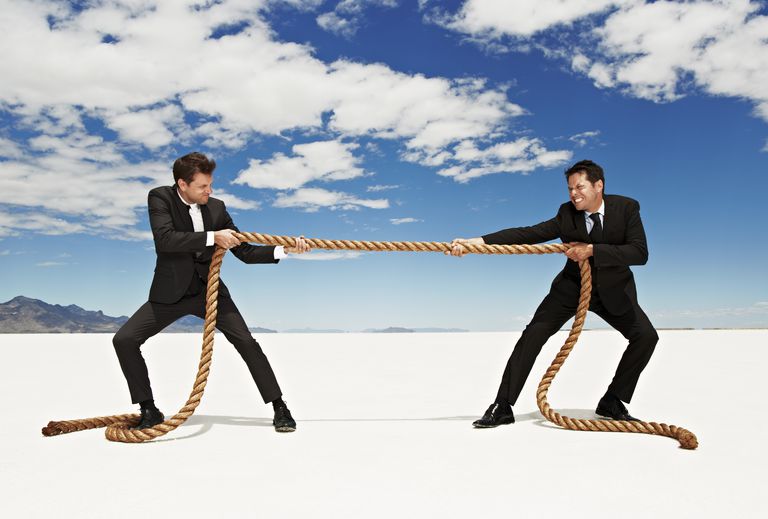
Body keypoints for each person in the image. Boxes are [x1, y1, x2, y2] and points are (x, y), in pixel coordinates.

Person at [450, 159, 658, 427]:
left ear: (598, 185)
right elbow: (530, 233)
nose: (573, 194)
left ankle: (613, 401)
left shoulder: (626, 208)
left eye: (579, 187)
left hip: (614, 292)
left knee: (646, 337)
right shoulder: (566, 213)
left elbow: (639, 253)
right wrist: (478, 242)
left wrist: (592, 249)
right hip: (570, 290)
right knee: (532, 335)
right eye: (570, 188)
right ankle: (503, 405)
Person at [113, 152, 310, 432]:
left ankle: (279, 407)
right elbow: (165, 240)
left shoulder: (217, 208)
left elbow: (245, 251)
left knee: (247, 343)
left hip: (210, 291)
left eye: (210, 184)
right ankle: (148, 408)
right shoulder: (160, 198)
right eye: (202, 186)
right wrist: (212, 237)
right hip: (170, 292)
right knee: (124, 340)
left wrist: (284, 249)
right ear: (182, 184)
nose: (209, 191)